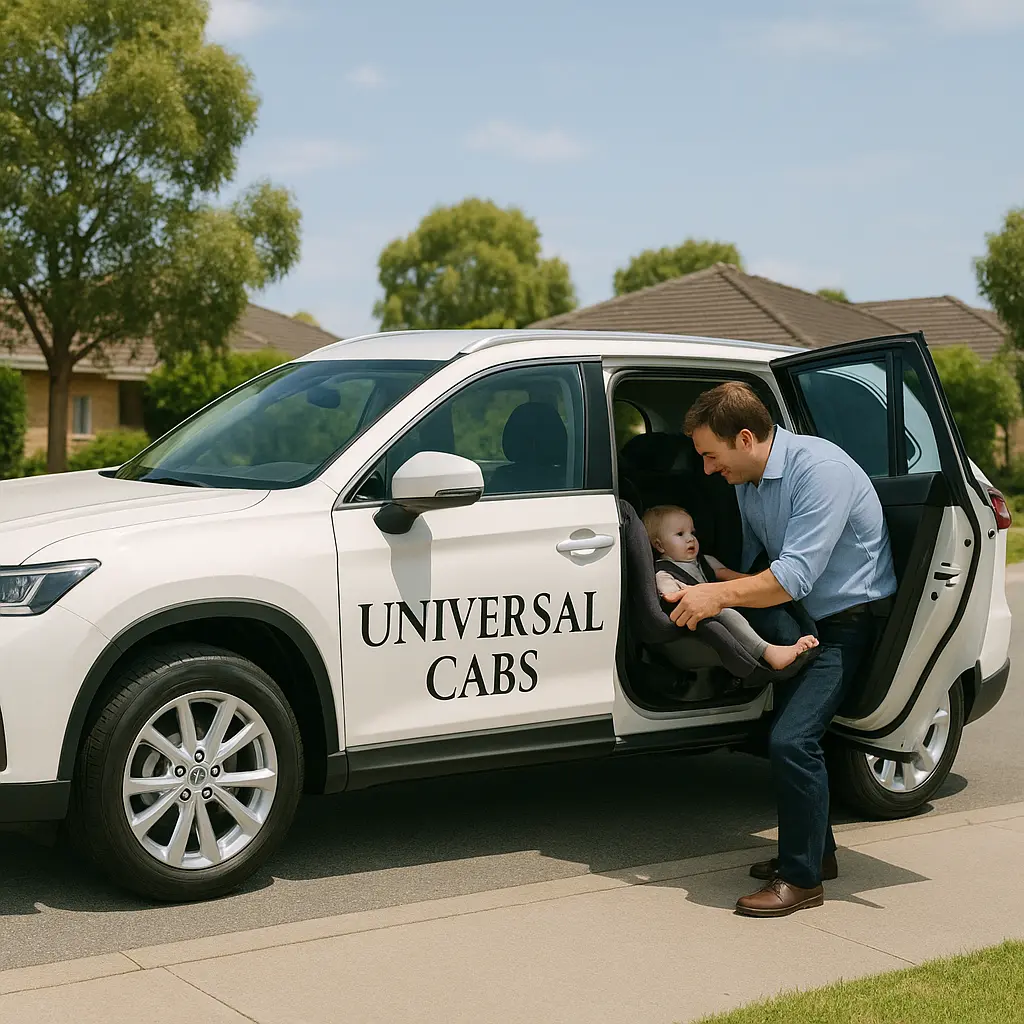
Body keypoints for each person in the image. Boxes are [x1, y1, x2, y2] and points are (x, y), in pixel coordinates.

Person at [666, 382, 897, 918]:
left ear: (746, 439)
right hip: (801, 620)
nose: (707, 469)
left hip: (846, 624)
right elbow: (757, 565)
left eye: (711, 456)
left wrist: (715, 596)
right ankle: (816, 855)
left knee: (793, 740)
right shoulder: (749, 479)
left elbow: (792, 576)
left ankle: (801, 882)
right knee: (784, 736)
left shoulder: (820, 472)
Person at [642, 504, 818, 672]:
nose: (690, 538)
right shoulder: (663, 573)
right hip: (695, 622)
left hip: (717, 610)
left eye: (692, 532)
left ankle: (800, 636)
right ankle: (769, 652)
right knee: (728, 612)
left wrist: (766, 587)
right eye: (680, 534)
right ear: (659, 545)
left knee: (749, 602)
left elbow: (732, 577)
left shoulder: (706, 561)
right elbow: (671, 596)